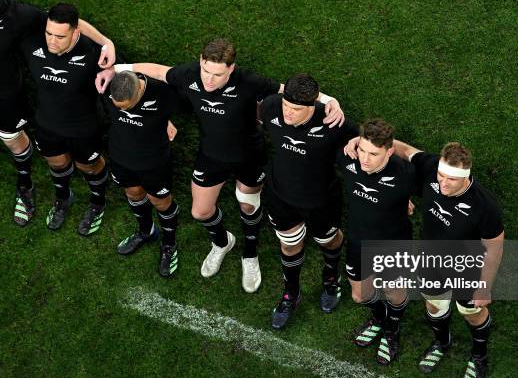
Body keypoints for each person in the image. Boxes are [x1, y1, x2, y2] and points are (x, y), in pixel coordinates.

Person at [109, 38, 344, 292]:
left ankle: (250, 255)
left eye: (217, 74)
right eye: (206, 71)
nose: (209, 80)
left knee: (247, 206)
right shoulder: (189, 74)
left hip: (248, 156)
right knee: (200, 211)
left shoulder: (249, 82)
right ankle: (222, 242)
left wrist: (329, 100)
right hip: (211, 155)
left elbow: (288, 91)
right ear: (200, 61)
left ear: (231, 69)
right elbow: (159, 71)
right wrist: (118, 68)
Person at [378, 140, 504, 378]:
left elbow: (494, 249)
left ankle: (479, 355)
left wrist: (484, 286)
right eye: (440, 176)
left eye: (451, 180)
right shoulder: (431, 167)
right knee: (435, 306)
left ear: (465, 177)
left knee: (471, 313)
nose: (443, 184)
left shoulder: (484, 206)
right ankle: (442, 342)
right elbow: (400, 149)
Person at [1, 0, 114, 226]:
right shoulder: (31, 45)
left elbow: (126, 81)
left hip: (83, 129)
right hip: (47, 126)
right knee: (57, 164)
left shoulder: (93, 54)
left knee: (89, 166)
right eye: (49, 34)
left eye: (60, 36)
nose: (52, 41)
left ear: (75, 33)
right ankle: (62, 198)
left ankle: (98, 202)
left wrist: (106, 45)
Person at [259, 73, 359, 329]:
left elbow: (369, 146)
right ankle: (291, 292)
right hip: (280, 196)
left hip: (321, 200)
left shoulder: (333, 122)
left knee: (329, 239)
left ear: (313, 106)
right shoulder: (271, 106)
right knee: (289, 244)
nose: (287, 114)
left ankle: (330, 276)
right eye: (286, 106)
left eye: (295, 110)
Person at [338, 119, 417, 365]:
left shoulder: (406, 173)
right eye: (362, 149)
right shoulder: (348, 157)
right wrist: (354, 142)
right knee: (360, 295)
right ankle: (379, 317)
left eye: (374, 153)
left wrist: (405, 199)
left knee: (394, 293)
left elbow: (432, 168)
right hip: (358, 241)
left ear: (389, 151)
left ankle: (392, 329)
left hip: (393, 244)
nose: (365, 158)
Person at [104, 71, 180, 277]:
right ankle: (146, 231)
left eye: (128, 106)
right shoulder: (107, 84)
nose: (125, 111)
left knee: (160, 201)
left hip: (154, 163)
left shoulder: (163, 93)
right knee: (134, 193)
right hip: (121, 158)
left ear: (138, 92)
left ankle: (169, 245)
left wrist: (167, 120)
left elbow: (182, 79)